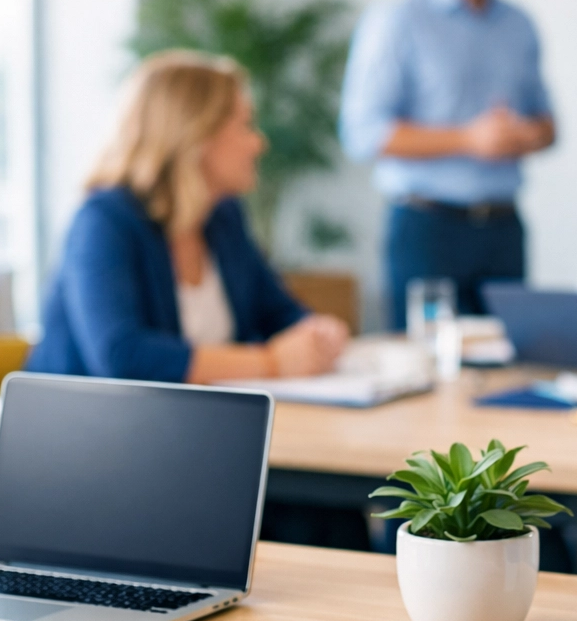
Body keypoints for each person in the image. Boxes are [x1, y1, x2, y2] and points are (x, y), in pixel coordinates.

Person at [27, 51, 349, 384]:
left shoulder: (222, 217)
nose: (259, 143)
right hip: (87, 428)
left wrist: (316, 334)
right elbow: (122, 355)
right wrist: (270, 362)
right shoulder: (104, 221)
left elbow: (277, 312)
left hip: (182, 423)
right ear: (197, 136)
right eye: (244, 125)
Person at [339, 0, 555, 329]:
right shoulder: (399, 20)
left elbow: (549, 125)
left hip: (502, 227)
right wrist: (469, 139)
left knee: (510, 362)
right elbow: (363, 133)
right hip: (428, 228)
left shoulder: (518, 24)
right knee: (425, 365)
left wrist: (522, 136)